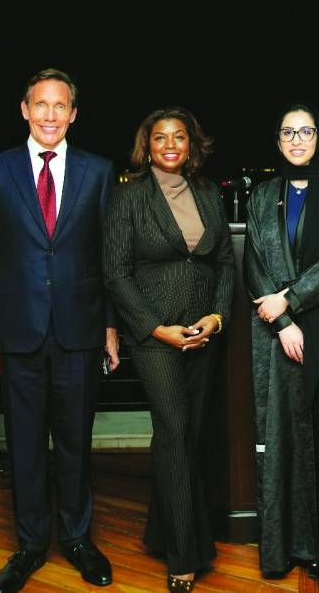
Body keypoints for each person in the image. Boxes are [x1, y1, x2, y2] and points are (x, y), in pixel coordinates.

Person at [0, 67, 121, 592]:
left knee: (77, 443)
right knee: (27, 446)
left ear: (73, 114)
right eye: (41, 105)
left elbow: (109, 259)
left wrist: (109, 326)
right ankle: (31, 546)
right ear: (24, 110)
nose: (50, 115)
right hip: (18, 334)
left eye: (61, 106)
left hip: (80, 332)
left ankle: (78, 539)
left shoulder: (99, 172)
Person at [102, 106, 235, 593]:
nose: (171, 145)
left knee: (188, 438)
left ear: (192, 144)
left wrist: (217, 318)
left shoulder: (208, 194)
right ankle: (183, 558)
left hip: (203, 335)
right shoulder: (127, 198)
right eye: (161, 138)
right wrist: (156, 329)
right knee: (175, 433)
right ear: (148, 146)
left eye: (180, 136)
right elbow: (115, 272)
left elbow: (223, 262)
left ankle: (164, 531)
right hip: (156, 339)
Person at [243, 102, 319, 587]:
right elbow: (253, 259)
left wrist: (290, 299)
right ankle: (279, 550)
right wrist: (284, 320)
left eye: (305, 131)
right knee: (278, 431)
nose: (296, 140)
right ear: (277, 141)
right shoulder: (263, 193)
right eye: (288, 132)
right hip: (274, 330)